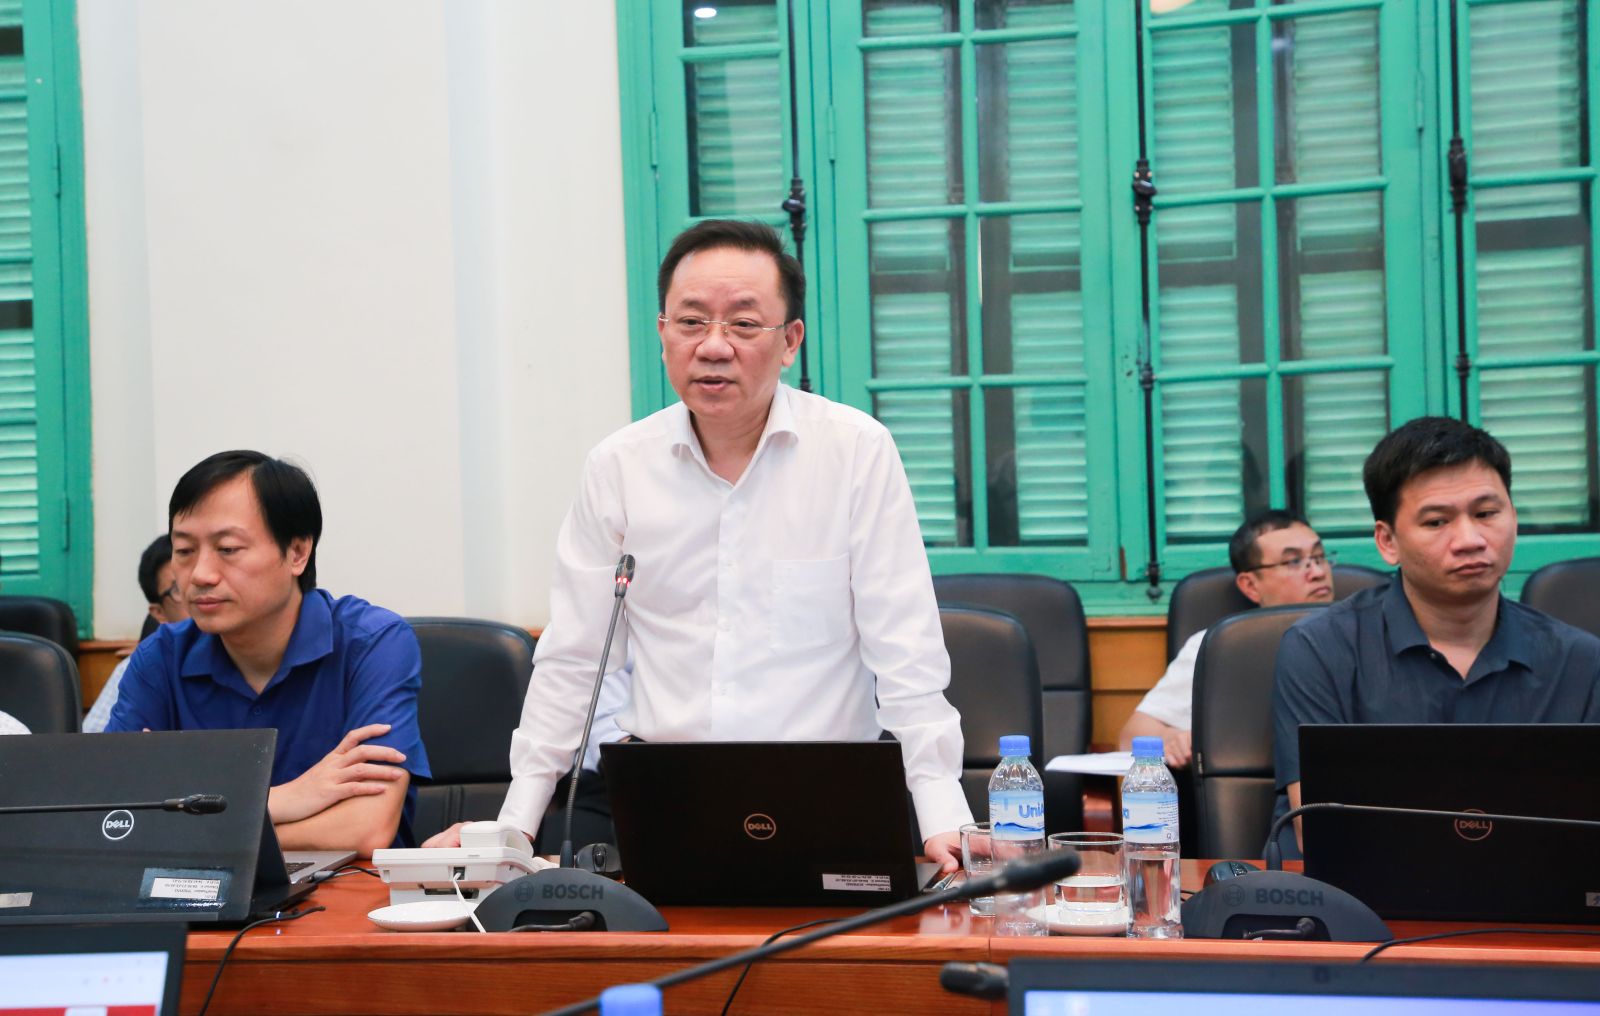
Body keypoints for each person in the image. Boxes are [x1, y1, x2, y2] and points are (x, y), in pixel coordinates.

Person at [426, 219, 972, 869]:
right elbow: (573, 660)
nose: (714, 347)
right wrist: (516, 824)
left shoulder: (855, 451)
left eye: (743, 324)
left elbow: (905, 651)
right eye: (691, 322)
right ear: (663, 335)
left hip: (828, 789)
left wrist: (943, 815)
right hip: (666, 795)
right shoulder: (619, 466)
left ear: (790, 341)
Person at [1272, 417, 1600, 851]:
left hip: (1536, 889)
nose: (1470, 539)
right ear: (1387, 541)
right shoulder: (1320, 649)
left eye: (1486, 514)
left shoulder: (1581, 661)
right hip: (1358, 891)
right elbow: (1320, 834)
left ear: (1514, 517)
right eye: (1436, 522)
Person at [105, 451, 432, 852]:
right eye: (185, 551)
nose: (201, 574)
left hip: (348, 888)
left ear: (297, 553)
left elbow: (366, 827)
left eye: (228, 549)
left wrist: (196, 825)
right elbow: (116, 815)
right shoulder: (160, 657)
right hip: (198, 888)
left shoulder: (373, 644)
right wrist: (289, 797)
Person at [1118, 510, 1335, 768]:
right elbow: (1131, 736)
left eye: (1319, 557)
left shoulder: (1361, 632)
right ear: (1250, 585)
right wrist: (1173, 739)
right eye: (1293, 561)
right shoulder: (1217, 647)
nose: (1318, 572)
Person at [83, 535, 192, 733]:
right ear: (159, 613)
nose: (198, 594)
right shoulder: (141, 667)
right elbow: (93, 744)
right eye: (178, 588)